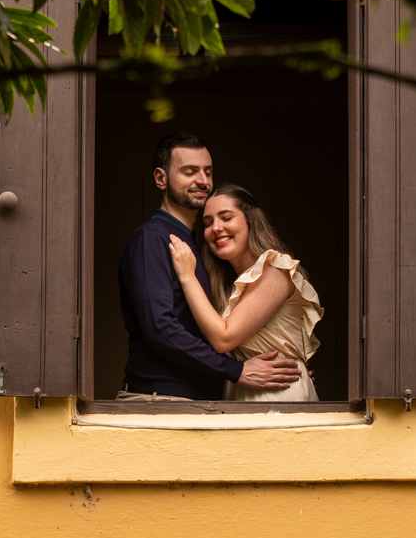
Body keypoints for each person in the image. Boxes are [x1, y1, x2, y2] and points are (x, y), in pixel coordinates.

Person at [117, 133, 302, 401]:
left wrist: (289, 364)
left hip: (200, 401)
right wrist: (236, 370)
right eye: (190, 172)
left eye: (207, 172)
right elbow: (159, 327)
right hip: (159, 399)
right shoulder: (153, 238)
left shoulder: (199, 248)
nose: (203, 181)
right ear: (161, 179)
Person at [167, 182, 322, 402]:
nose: (216, 227)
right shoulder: (229, 285)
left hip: (276, 394)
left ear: (250, 221)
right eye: (208, 223)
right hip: (242, 391)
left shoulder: (275, 269)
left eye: (226, 217)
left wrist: (187, 276)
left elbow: (223, 338)